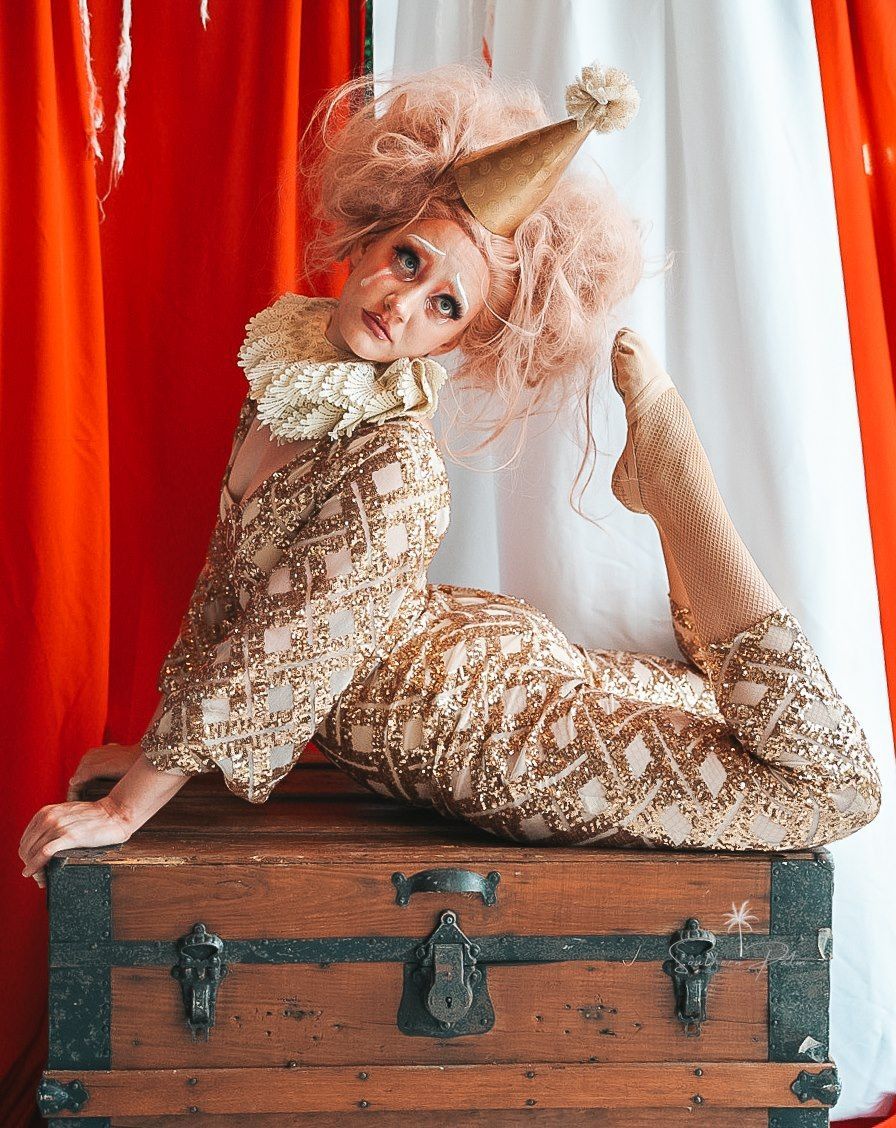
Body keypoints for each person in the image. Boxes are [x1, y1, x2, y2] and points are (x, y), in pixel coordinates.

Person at [20, 62, 882, 887]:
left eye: (445, 305)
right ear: (369, 238)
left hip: (484, 737)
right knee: (722, 709)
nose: (404, 304)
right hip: (482, 651)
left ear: (457, 341)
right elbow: (229, 596)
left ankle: (675, 482)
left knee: (832, 785)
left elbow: (277, 650)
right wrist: (153, 746)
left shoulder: (394, 463)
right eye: (408, 260)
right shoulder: (292, 382)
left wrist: (131, 809)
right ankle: (668, 506)